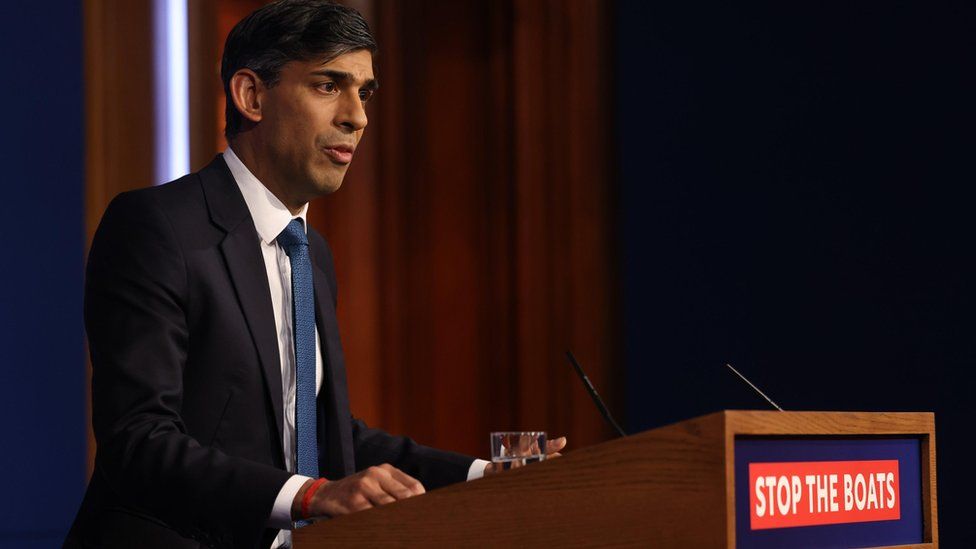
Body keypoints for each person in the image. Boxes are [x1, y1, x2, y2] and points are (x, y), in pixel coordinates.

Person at [65, 1, 565, 548]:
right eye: (330, 86)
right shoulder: (158, 227)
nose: (358, 116)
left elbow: (328, 438)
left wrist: (480, 477)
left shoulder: (311, 253)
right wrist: (309, 495)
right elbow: (137, 440)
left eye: (365, 91)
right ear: (251, 96)